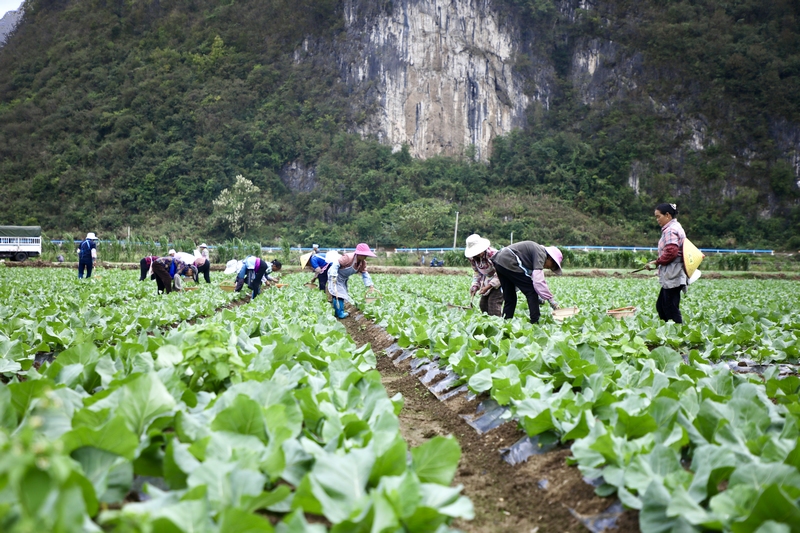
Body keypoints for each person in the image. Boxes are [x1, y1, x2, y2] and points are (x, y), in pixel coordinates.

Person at [491, 241, 562, 324]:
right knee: (531, 292)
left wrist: (541, 297)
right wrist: (551, 301)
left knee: (510, 297)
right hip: (509, 261)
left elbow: (523, 279)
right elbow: (538, 281)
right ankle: (535, 321)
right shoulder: (541, 253)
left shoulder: (535, 252)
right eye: (552, 266)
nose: (548, 268)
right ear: (550, 258)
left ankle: (506, 321)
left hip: (499, 262)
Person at [645, 203, 687, 324]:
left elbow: (671, 252)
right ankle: (668, 331)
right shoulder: (676, 226)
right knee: (662, 306)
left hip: (673, 272)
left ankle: (677, 333)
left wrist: (656, 262)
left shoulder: (670, 230)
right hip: (674, 272)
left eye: (659, 216)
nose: (657, 220)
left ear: (667, 215)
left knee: (670, 307)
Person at [328, 243, 378, 319]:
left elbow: (365, 273)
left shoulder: (362, 263)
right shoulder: (348, 257)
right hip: (336, 275)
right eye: (364, 255)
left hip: (343, 278)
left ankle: (337, 311)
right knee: (339, 294)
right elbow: (336, 264)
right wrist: (333, 275)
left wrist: (370, 285)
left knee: (342, 293)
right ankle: (340, 313)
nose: (366, 257)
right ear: (359, 254)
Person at [464, 234, 502, 316]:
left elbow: (500, 272)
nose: (478, 253)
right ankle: (487, 323)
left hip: (501, 279)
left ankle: (498, 324)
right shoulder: (472, 258)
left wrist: (488, 287)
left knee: (493, 302)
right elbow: (477, 272)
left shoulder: (493, 254)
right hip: (487, 280)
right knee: (483, 304)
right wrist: (475, 286)